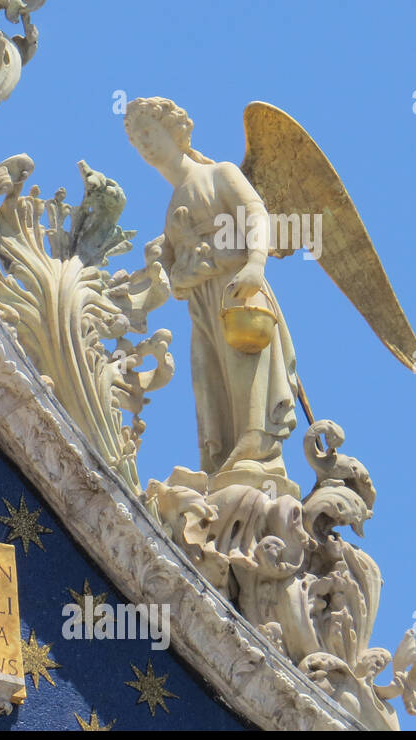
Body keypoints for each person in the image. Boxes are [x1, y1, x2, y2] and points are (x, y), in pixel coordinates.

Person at [124, 97, 298, 492]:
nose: (146, 146)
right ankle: (221, 462)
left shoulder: (219, 174)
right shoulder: (172, 207)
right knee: (208, 383)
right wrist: (160, 266)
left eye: (150, 134)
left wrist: (256, 263)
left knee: (244, 371)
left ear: (176, 133)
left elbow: (255, 213)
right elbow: (168, 272)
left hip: (238, 292)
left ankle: (256, 450)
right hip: (202, 307)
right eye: (139, 143)